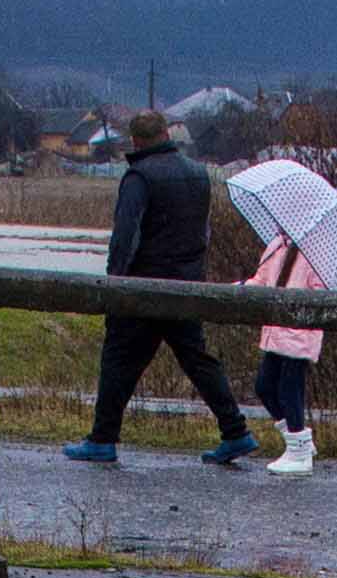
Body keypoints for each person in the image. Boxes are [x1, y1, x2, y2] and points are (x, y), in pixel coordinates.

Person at [61, 108, 255, 468]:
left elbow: (126, 236)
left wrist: (115, 283)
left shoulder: (139, 177)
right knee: (197, 359)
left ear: (134, 141)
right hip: (185, 282)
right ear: (167, 134)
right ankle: (235, 430)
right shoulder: (198, 174)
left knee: (119, 359)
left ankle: (103, 438)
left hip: (144, 287)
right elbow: (203, 231)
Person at [222, 158, 337, 477]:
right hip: (275, 328)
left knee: (289, 388)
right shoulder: (278, 245)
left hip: (299, 330)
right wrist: (238, 289)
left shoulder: (320, 252)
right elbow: (262, 280)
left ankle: (299, 450)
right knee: (264, 386)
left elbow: (321, 290)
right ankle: (296, 440)